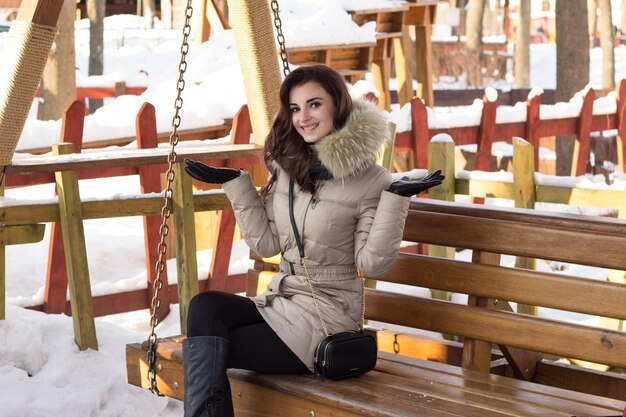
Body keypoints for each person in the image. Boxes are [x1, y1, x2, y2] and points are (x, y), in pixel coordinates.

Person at [182, 63, 444, 417]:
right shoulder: (289, 168)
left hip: (328, 316)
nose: (303, 117)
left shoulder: (370, 179)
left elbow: (371, 263)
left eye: (314, 104)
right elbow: (268, 245)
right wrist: (237, 184)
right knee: (206, 307)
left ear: (337, 105)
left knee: (213, 348)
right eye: (294, 108)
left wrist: (396, 198)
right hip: (282, 301)